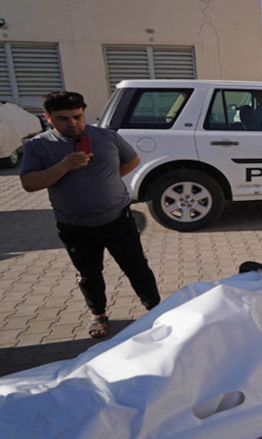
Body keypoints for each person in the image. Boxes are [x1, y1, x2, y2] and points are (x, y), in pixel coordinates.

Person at [20, 91, 160, 339]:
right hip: (75, 224)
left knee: (137, 267)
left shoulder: (107, 137)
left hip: (118, 218)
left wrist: (106, 180)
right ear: (48, 118)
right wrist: (64, 166)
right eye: (62, 118)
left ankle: (156, 310)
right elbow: (29, 183)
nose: (73, 123)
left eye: (77, 116)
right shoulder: (38, 146)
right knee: (89, 273)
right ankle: (98, 314)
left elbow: (133, 160)